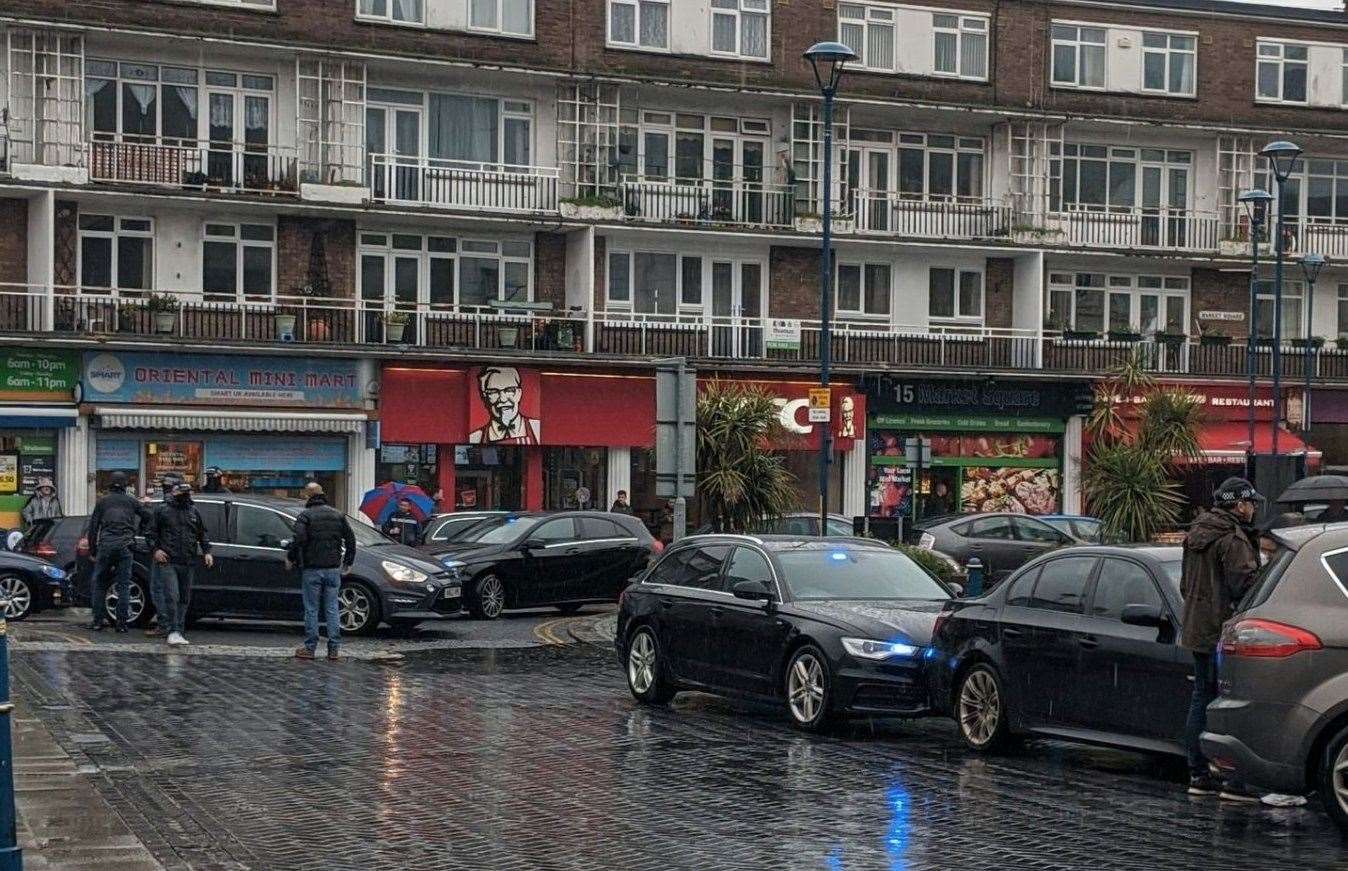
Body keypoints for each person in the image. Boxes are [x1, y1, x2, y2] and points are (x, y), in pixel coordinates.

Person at [1180, 477, 1262, 800]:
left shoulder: (1196, 534)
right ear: (1238, 504)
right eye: (1250, 502)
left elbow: (1186, 586)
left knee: (1201, 697)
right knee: (1227, 704)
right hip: (1224, 632)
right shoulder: (1232, 539)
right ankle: (1232, 779)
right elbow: (1247, 588)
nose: (1253, 508)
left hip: (1197, 629)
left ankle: (1198, 772)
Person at [287, 482, 356, 661]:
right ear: (322, 494)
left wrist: (291, 557)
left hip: (312, 568)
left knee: (311, 609)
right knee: (332, 608)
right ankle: (333, 649)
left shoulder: (305, 516)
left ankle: (310, 648)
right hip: (333, 568)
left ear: (307, 496)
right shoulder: (338, 515)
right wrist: (348, 562)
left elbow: (299, 539)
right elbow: (351, 539)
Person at [146, 482, 213, 647]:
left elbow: (201, 533)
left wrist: (207, 552)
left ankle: (179, 630)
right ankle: (173, 631)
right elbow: (150, 533)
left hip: (188, 560)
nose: (186, 496)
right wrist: (155, 550)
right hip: (168, 560)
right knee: (172, 595)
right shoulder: (162, 510)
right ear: (175, 493)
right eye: (183, 493)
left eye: (188, 493)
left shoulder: (193, 511)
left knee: (184, 598)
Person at [85, 471, 151, 632]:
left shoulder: (103, 502)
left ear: (110, 484)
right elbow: (148, 516)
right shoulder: (132, 502)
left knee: (100, 583)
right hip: (125, 547)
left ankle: (97, 621)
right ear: (125, 485)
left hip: (106, 546)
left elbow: (93, 528)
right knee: (123, 585)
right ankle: (121, 624)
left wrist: (93, 550)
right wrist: (140, 530)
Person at [144, 471, 184, 639]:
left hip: (165, 554)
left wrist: (156, 549)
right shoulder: (187, 507)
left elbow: (150, 531)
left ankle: (166, 624)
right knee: (173, 592)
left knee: (160, 590)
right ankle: (174, 625)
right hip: (178, 554)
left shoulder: (162, 508)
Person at [468, 366, 540, 445]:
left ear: (519, 393)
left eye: (509, 390)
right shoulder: (475, 438)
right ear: (484, 397)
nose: (503, 399)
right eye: (493, 391)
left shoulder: (537, 428)